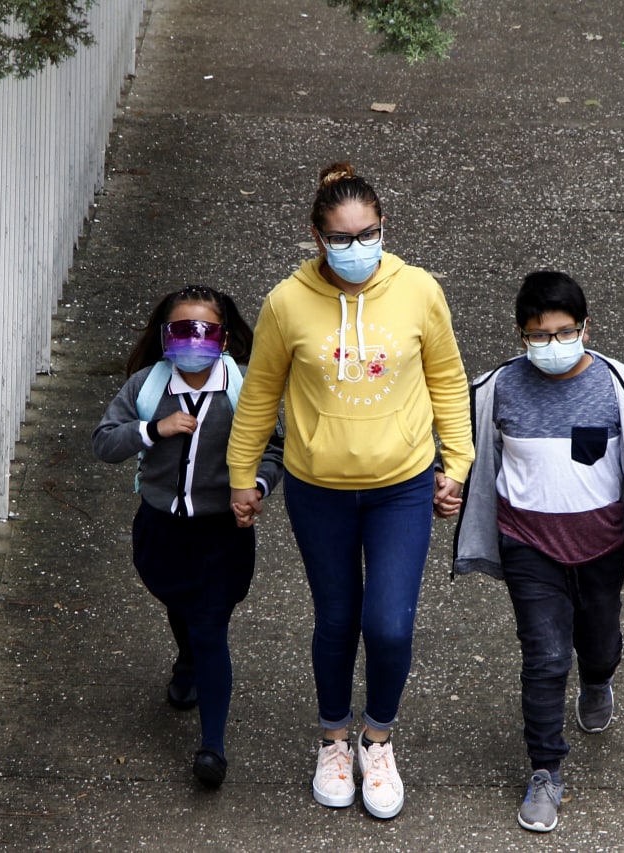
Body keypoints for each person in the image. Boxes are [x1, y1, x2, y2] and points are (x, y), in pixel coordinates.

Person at [225, 162, 474, 820]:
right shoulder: (286, 303)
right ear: (316, 236)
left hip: (402, 488)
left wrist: (459, 460)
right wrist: (240, 475)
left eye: (372, 232)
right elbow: (259, 396)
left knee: (388, 625)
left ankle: (378, 737)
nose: (359, 246)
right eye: (343, 236)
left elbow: (447, 378)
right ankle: (334, 737)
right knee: (337, 619)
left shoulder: (419, 291)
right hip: (319, 490)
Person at [452, 270, 624, 832]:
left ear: (585, 328)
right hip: (529, 547)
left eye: (564, 332)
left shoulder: (618, 387)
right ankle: (546, 771)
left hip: (600, 549)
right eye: (539, 335)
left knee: (599, 646)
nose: (552, 345)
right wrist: (447, 484)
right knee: (546, 658)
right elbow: (464, 457)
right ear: (521, 335)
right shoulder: (495, 389)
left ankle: (598, 680)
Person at [91, 285, 283, 790]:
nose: (193, 341)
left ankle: (212, 747)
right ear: (164, 335)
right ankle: (188, 660)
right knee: (178, 604)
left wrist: (257, 486)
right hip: (162, 529)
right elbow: (103, 442)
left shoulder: (245, 389)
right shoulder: (146, 388)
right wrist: (153, 430)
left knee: (210, 624)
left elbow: (275, 447)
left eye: (205, 331)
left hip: (223, 533)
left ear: (224, 337)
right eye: (182, 330)